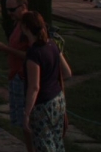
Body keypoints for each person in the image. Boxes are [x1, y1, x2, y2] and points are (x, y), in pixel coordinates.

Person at [21, 11, 72, 152]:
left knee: (45, 146)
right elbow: (67, 72)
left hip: (42, 106)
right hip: (58, 100)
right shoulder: (52, 45)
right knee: (57, 142)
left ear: (26, 27)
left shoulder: (34, 53)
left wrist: (26, 113)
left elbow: (34, 87)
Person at [0, 0, 34, 151]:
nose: (9, 13)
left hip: (25, 78)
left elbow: (33, 55)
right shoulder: (19, 24)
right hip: (16, 76)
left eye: (12, 10)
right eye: (7, 10)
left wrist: (6, 49)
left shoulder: (30, 27)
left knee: (28, 121)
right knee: (23, 123)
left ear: (23, 7)